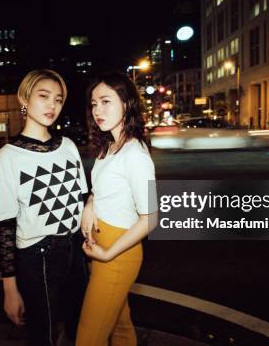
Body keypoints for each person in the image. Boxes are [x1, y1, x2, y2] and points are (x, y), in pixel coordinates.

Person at [0, 69, 89, 346]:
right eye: (43, 96)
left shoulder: (68, 146)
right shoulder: (8, 157)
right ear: (24, 98)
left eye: (58, 99)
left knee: (80, 329)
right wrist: (10, 289)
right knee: (42, 335)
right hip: (38, 256)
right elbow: (5, 226)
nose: (52, 105)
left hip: (76, 250)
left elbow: (81, 198)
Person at [76, 72, 158, 346]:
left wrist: (108, 253)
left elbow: (151, 218)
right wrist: (90, 203)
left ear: (126, 103)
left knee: (88, 338)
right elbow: (103, 191)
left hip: (118, 254)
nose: (98, 110)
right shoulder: (108, 147)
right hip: (100, 248)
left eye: (106, 101)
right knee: (120, 328)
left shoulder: (135, 155)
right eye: (94, 103)